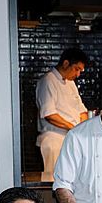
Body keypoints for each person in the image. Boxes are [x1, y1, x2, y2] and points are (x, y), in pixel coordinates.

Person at [36, 48, 90, 182]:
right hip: (54, 138)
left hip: (72, 137)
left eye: (80, 71)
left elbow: (82, 110)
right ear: (66, 63)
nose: (78, 74)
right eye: (76, 69)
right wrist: (73, 127)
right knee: (54, 180)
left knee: (73, 178)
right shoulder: (48, 80)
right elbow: (49, 114)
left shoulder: (71, 83)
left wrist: (82, 129)